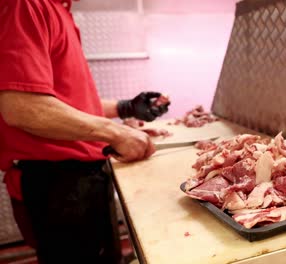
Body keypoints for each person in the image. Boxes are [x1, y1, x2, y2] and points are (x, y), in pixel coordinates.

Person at [0, 0, 168, 263]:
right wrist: (116, 134)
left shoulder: (59, 10)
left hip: (78, 179)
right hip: (57, 186)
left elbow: (69, 104)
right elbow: (23, 107)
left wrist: (127, 108)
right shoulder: (27, 5)